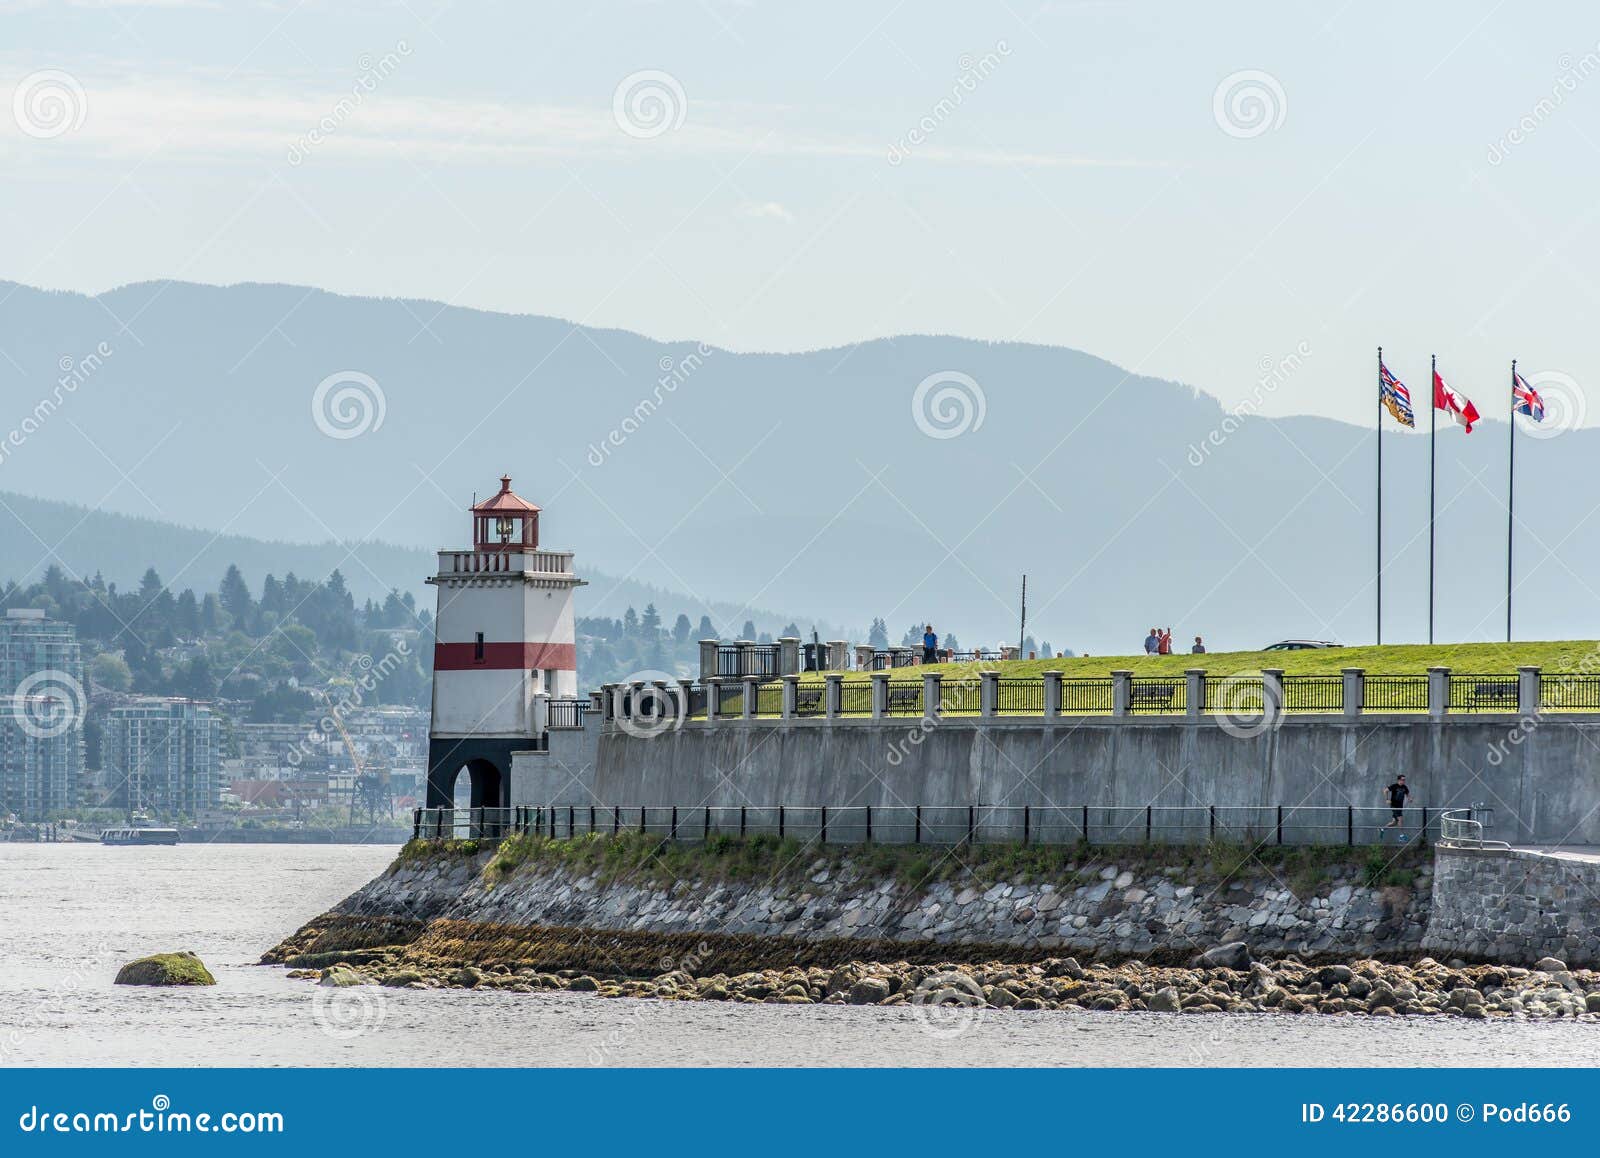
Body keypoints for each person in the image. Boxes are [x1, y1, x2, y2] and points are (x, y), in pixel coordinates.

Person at [1381, 775, 1410, 841]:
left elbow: (1407, 794)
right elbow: (1385, 791)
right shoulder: (1394, 786)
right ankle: (1401, 836)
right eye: (1402, 780)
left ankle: (1382, 829)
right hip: (1394, 806)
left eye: (1404, 780)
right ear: (1399, 780)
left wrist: (1409, 798)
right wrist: (1387, 799)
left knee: (1394, 822)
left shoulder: (1404, 787)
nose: (1403, 781)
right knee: (1400, 819)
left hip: (1400, 806)